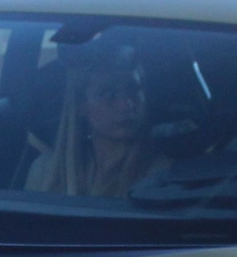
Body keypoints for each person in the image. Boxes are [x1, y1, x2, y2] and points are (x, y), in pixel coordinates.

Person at [26, 49, 163, 197]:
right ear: (81, 107)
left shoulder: (163, 174)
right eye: (109, 94)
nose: (126, 104)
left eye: (133, 90)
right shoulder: (46, 170)